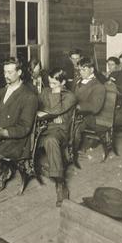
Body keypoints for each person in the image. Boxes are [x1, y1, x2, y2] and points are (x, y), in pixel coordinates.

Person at [0, 57, 38, 192]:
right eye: (5, 72)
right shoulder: (1, 91)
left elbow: (25, 127)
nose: (6, 76)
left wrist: (4, 132)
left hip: (15, 140)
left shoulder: (29, 96)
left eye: (10, 72)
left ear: (19, 72)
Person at [38, 68, 77, 206]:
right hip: (42, 127)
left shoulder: (70, 96)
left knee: (51, 140)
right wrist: (51, 115)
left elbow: (55, 110)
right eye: (49, 83)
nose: (51, 86)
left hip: (60, 131)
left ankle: (60, 183)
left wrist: (50, 112)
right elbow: (36, 107)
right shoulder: (45, 91)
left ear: (63, 82)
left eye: (55, 83)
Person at [73, 58, 107, 156]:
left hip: (90, 117)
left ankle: (72, 152)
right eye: (79, 70)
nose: (81, 72)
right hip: (77, 113)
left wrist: (78, 106)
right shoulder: (78, 81)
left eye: (84, 70)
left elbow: (95, 107)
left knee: (73, 126)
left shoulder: (98, 86)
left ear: (92, 70)